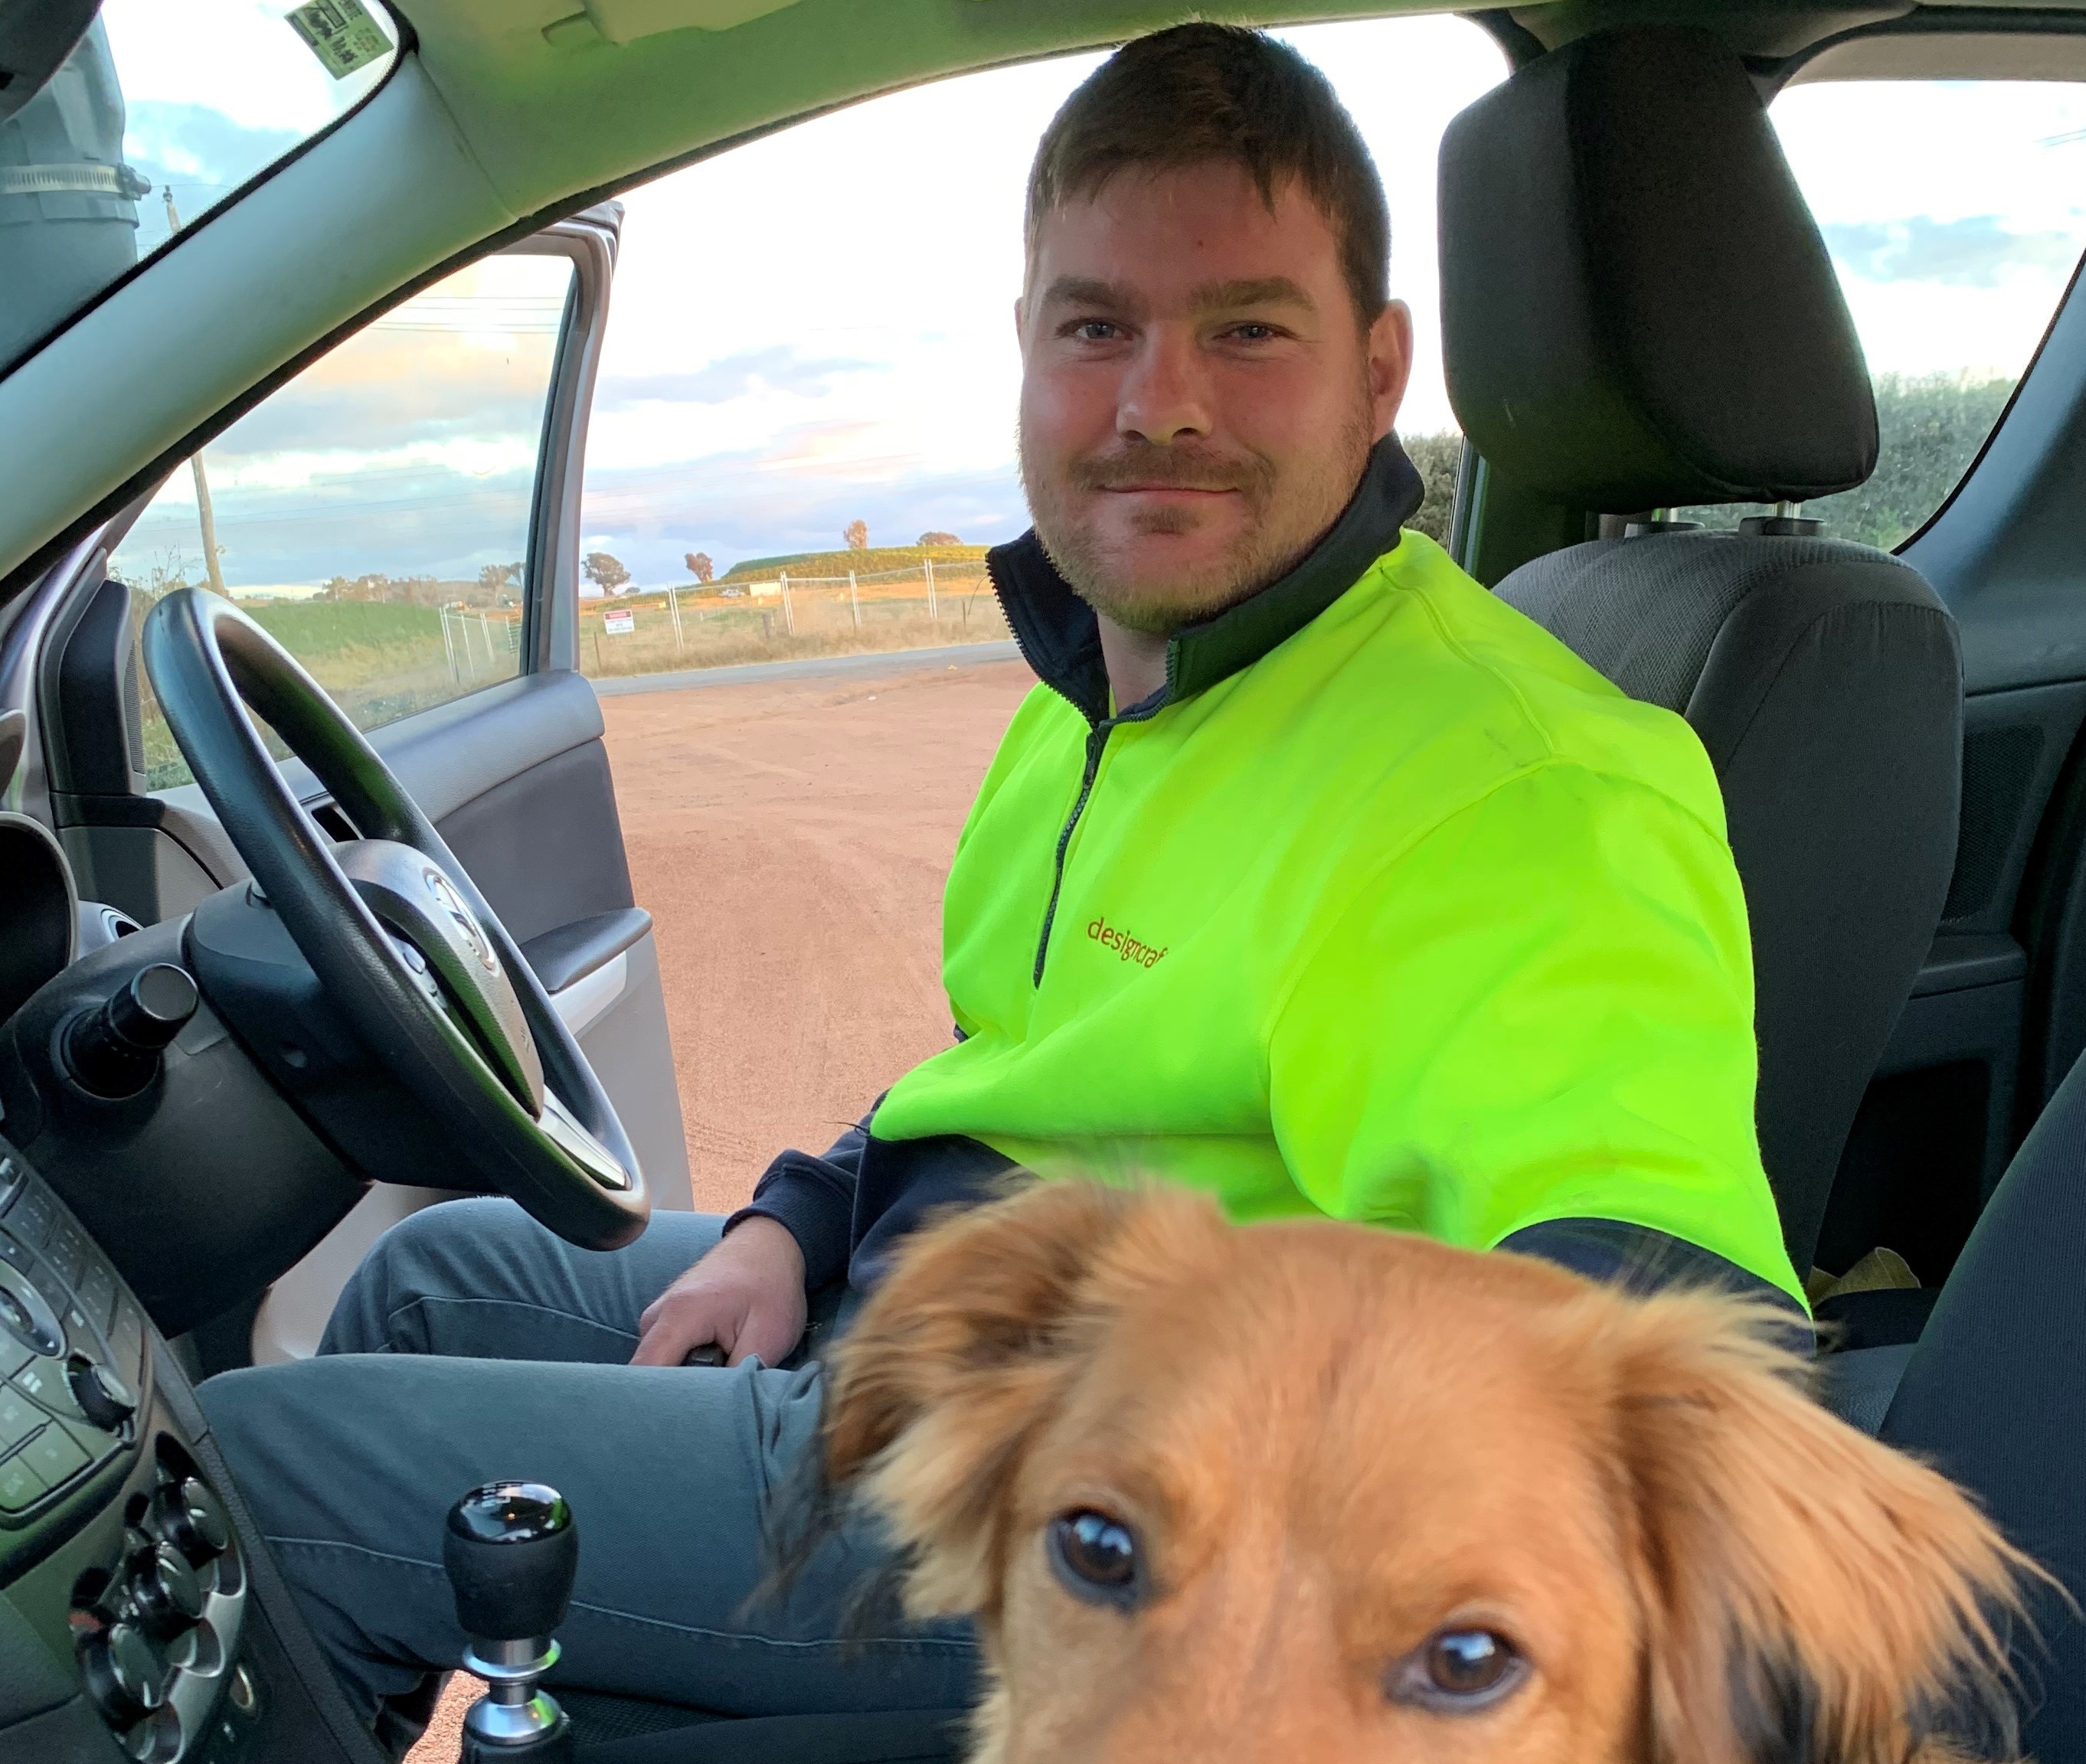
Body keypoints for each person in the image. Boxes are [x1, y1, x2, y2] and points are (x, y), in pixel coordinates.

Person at [202, 22, 1801, 1753]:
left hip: (1104, 1490)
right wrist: (797, 1223)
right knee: (438, 1272)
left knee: (262, 1473)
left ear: (1377, 368)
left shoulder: (1516, 788)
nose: (1159, 403)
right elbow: (1016, 1069)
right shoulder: (1104, 692)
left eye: (1248, 331)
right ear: (1028, 350)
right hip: (922, 1307)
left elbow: (1656, 1325)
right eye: (1099, 327)